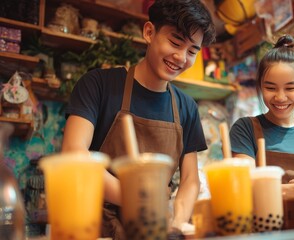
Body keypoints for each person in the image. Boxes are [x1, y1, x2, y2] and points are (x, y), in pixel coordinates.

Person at [61, 0, 216, 238]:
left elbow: (189, 180)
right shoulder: (99, 84)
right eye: (175, 42)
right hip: (96, 229)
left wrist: (176, 225)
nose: (181, 57)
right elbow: (74, 154)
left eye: (192, 51)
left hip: (153, 230)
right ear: (149, 32)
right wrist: (139, 200)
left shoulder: (186, 107)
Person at [229, 34, 294, 228]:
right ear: (260, 86)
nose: (280, 97)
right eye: (270, 87)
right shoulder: (245, 129)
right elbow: (244, 188)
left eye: (290, 88)